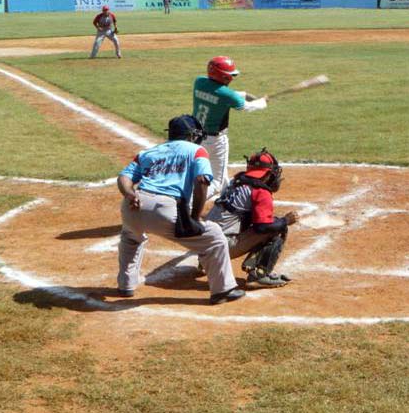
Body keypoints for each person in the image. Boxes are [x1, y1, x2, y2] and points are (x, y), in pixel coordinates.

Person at [116, 114, 244, 305]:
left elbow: (124, 178)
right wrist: (195, 218)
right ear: (191, 135)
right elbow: (202, 181)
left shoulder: (148, 152)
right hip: (164, 209)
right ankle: (222, 290)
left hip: (133, 205)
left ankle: (126, 285)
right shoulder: (197, 151)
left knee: (131, 236)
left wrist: (129, 194)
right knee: (214, 237)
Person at [205, 148, 299, 288]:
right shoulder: (260, 191)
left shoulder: (234, 182)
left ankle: (203, 264)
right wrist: (285, 220)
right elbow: (262, 227)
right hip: (220, 248)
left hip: (202, 245)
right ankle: (259, 275)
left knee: (236, 219)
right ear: (267, 174)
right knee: (277, 226)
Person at [192, 56, 268, 199]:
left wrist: (245, 94)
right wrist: (263, 101)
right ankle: (189, 204)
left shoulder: (199, 82)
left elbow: (222, 93)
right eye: (229, 75)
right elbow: (247, 107)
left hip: (194, 137)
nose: (231, 78)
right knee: (217, 183)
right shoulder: (226, 95)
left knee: (220, 177)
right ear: (223, 76)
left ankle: (223, 205)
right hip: (215, 142)